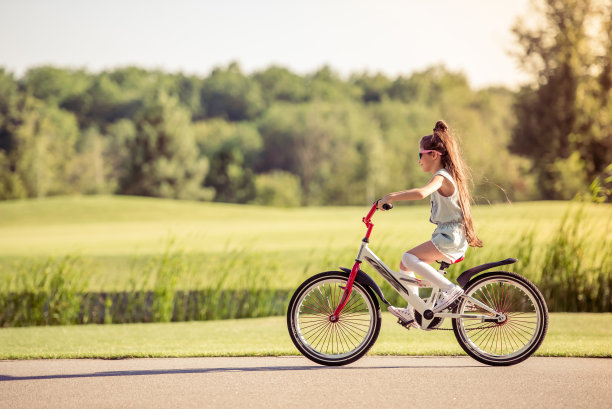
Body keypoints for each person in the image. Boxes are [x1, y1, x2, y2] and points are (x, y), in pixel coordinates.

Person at [379, 120, 483, 326]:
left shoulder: (442, 176)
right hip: (448, 235)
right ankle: (413, 310)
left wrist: (390, 196)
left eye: (420, 155)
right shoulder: (446, 175)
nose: (419, 160)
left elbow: (421, 193)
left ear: (433, 155)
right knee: (405, 265)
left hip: (450, 237)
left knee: (408, 257)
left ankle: (450, 290)